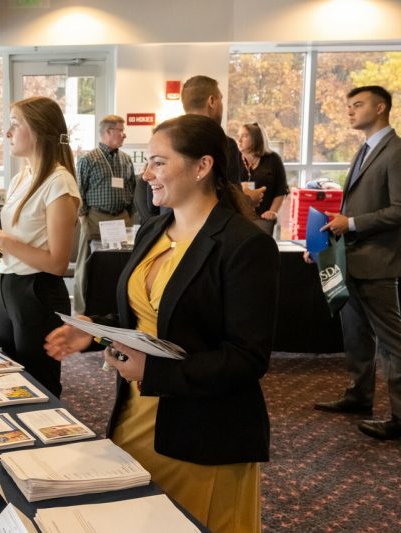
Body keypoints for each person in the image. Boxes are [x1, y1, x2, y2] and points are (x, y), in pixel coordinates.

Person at [45, 114, 279, 532]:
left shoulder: (245, 245)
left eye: (158, 162)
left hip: (201, 434)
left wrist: (154, 372)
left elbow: (248, 359)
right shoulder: (154, 229)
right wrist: (95, 330)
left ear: (202, 166)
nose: (146, 173)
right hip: (136, 415)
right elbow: (149, 319)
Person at [0, 96, 80, 397]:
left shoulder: (59, 183)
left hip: (37, 293)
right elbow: (20, 243)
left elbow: (57, 262)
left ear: (40, 131)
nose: (8, 133)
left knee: (39, 384)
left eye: (15, 125)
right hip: (10, 287)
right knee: (13, 380)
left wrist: (2, 240)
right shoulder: (22, 177)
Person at [312, 85, 401, 441]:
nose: (350, 111)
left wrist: (350, 223)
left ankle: (399, 417)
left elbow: (399, 210)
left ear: (381, 108)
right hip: (353, 261)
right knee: (356, 337)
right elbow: (358, 208)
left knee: (393, 344)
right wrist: (334, 229)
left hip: (380, 263)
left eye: (358, 105)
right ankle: (359, 396)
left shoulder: (395, 152)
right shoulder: (366, 150)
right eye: (349, 106)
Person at [74, 115, 137, 314]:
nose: (124, 134)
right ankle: (82, 311)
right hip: (94, 218)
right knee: (86, 265)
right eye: (121, 130)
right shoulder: (88, 159)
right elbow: (78, 190)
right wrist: (84, 217)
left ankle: (118, 309)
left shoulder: (126, 159)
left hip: (121, 219)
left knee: (122, 264)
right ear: (109, 132)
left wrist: (128, 214)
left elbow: (132, 188)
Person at [177, 75, 264, 211]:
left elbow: (148, 198)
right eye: (221, 99)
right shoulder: (225, 144)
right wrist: (249, 200)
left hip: (172, 228)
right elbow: (230, 200)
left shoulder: (168, 139)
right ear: (211, 101)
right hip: (211, 228)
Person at [237, 122, 289, 234]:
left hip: (263, 217)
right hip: (238, 216)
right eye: (239, 136)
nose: (239, 140)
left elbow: (280, 190)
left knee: (258, 245)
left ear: (257, 139)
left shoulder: (273, 159)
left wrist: (272, 211)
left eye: (245, 136)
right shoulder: (233, 158)